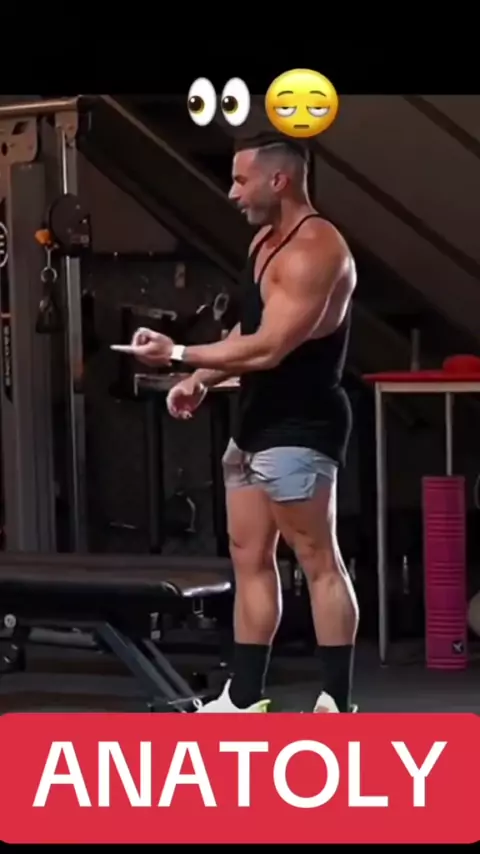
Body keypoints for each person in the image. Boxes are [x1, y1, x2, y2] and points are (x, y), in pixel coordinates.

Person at [128, 134, 359, 713]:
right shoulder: (263, 242)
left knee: (317, 560)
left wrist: (179, 353)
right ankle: (244, 699)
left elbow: (272, 347)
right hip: (255, 420)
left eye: (240, 180)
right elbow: (249, 331)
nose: (232, 193)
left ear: (279, 180)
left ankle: (336, 704)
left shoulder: (317, 249)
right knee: (248, 557)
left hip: (302, 424)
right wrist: (199, 379)